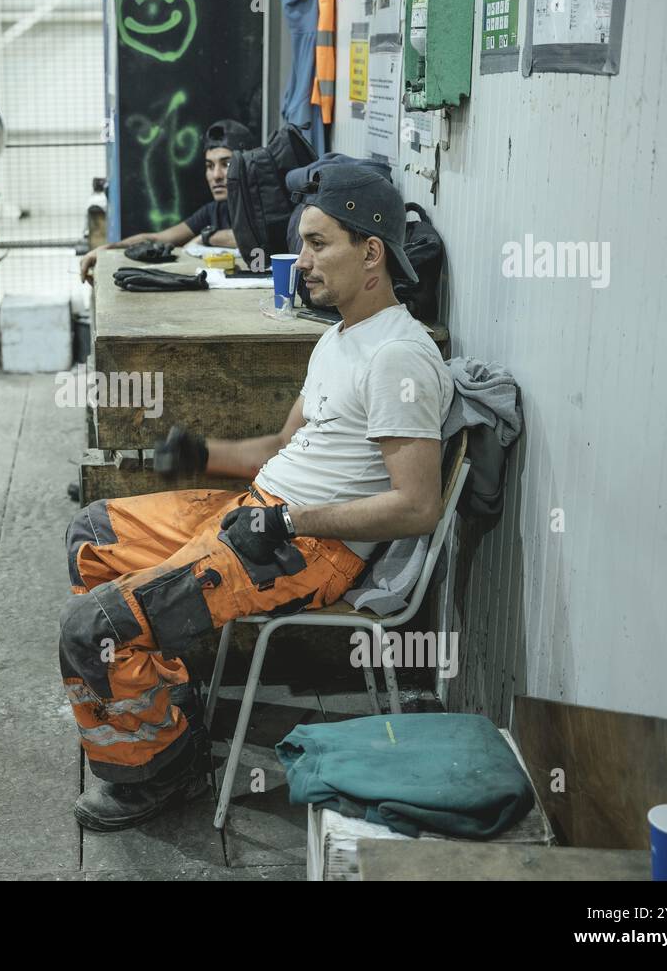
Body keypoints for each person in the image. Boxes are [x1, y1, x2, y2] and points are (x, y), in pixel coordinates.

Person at [58, 165, 454, 831]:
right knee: (92, 535)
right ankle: (167, 712)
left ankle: (157, 771)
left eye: (318, 244)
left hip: (306, 549)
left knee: (92, 628)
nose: (303, 262)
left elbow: (418, 505)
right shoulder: (338, 339)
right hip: (262, 515)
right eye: (303, 244)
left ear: (372, 253)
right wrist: (201, 454)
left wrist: (292, 518)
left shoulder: (397, 358)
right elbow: (277, 446)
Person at [78, 119, 256, 283]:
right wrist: (104, 250)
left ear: (247, 164)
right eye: (209, 166)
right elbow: (156, 238)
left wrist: (206, 237)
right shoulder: (214, 210)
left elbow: (258, 239)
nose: (216, 175)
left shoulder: (263, 206)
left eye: (227, 164)